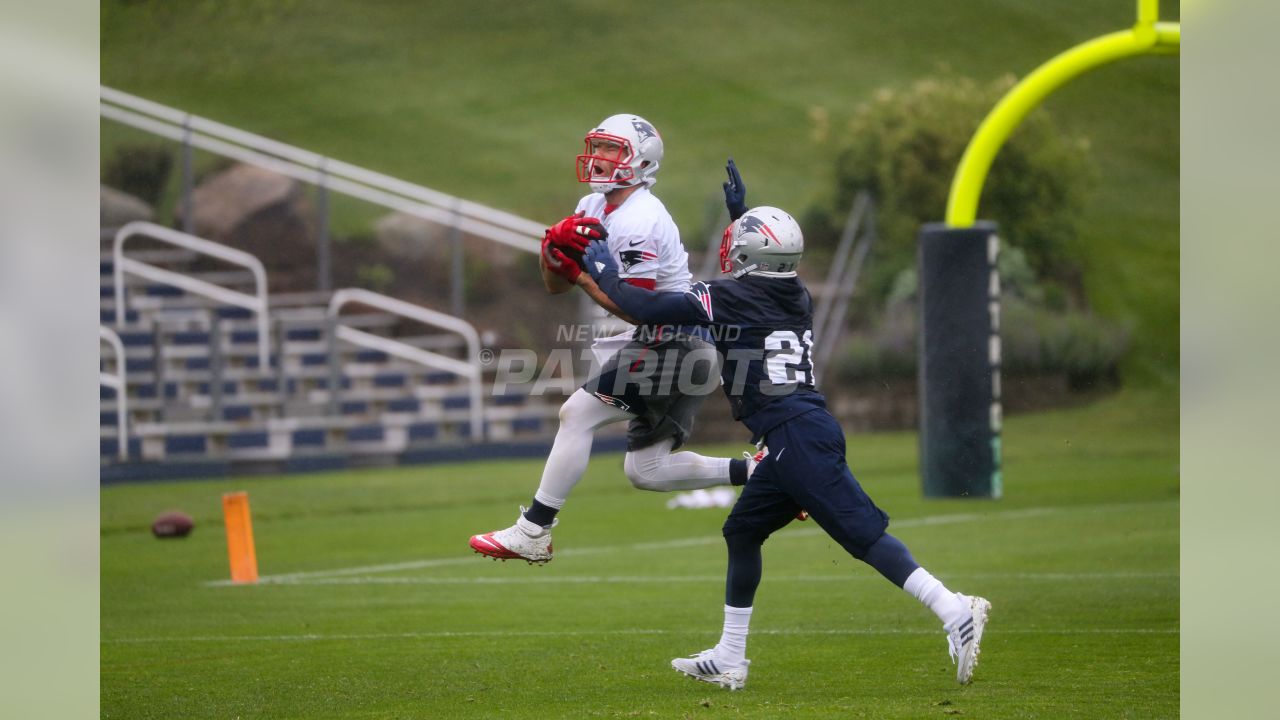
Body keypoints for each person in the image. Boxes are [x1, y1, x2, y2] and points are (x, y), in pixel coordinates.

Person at [577, 164, 992, 688]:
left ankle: (955, 609)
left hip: (796, 435)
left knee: (862, 536)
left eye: (739, 245)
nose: (731, 251)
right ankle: (730, 657)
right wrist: (741, 216)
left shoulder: (730, 298)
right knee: (742, 530)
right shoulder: (797, 293)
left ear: (751, 257)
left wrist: (601, 272)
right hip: (792, 433)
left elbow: (641, 305)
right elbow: (758, 269)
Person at [469, 115, 754, 564]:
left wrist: (580, 271)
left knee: (576, 413)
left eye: (611, 149)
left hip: (676, 342)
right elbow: (555, 285)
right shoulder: (593, 204)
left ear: (640, 161)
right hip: (666, 342)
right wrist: (552, 249)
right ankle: (759, 472)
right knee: (647, 470)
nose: (598, 157)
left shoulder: (642, 218)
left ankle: (534, 530)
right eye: (597, 146)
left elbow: (634, 307)